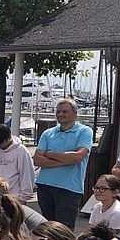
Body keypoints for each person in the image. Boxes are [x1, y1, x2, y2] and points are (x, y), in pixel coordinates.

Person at [33, 98, 93, 230]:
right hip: (45, 186)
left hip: (69, 189)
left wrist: (49, 154)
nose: (60, 114)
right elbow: (37, 160)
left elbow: (78, 157)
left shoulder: (85, 131)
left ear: (75, 113)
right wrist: (65, 160)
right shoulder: (48, 133)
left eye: (64, 111)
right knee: (48, 228)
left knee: (64, 230)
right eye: (58, 111)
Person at [88, 175, 120, 240]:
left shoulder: (119, 212)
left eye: (102, 189)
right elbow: (89, 229)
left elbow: (110, 237)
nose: (97, 191)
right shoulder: (97, 207)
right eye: (96, 187)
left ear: (115, 192)